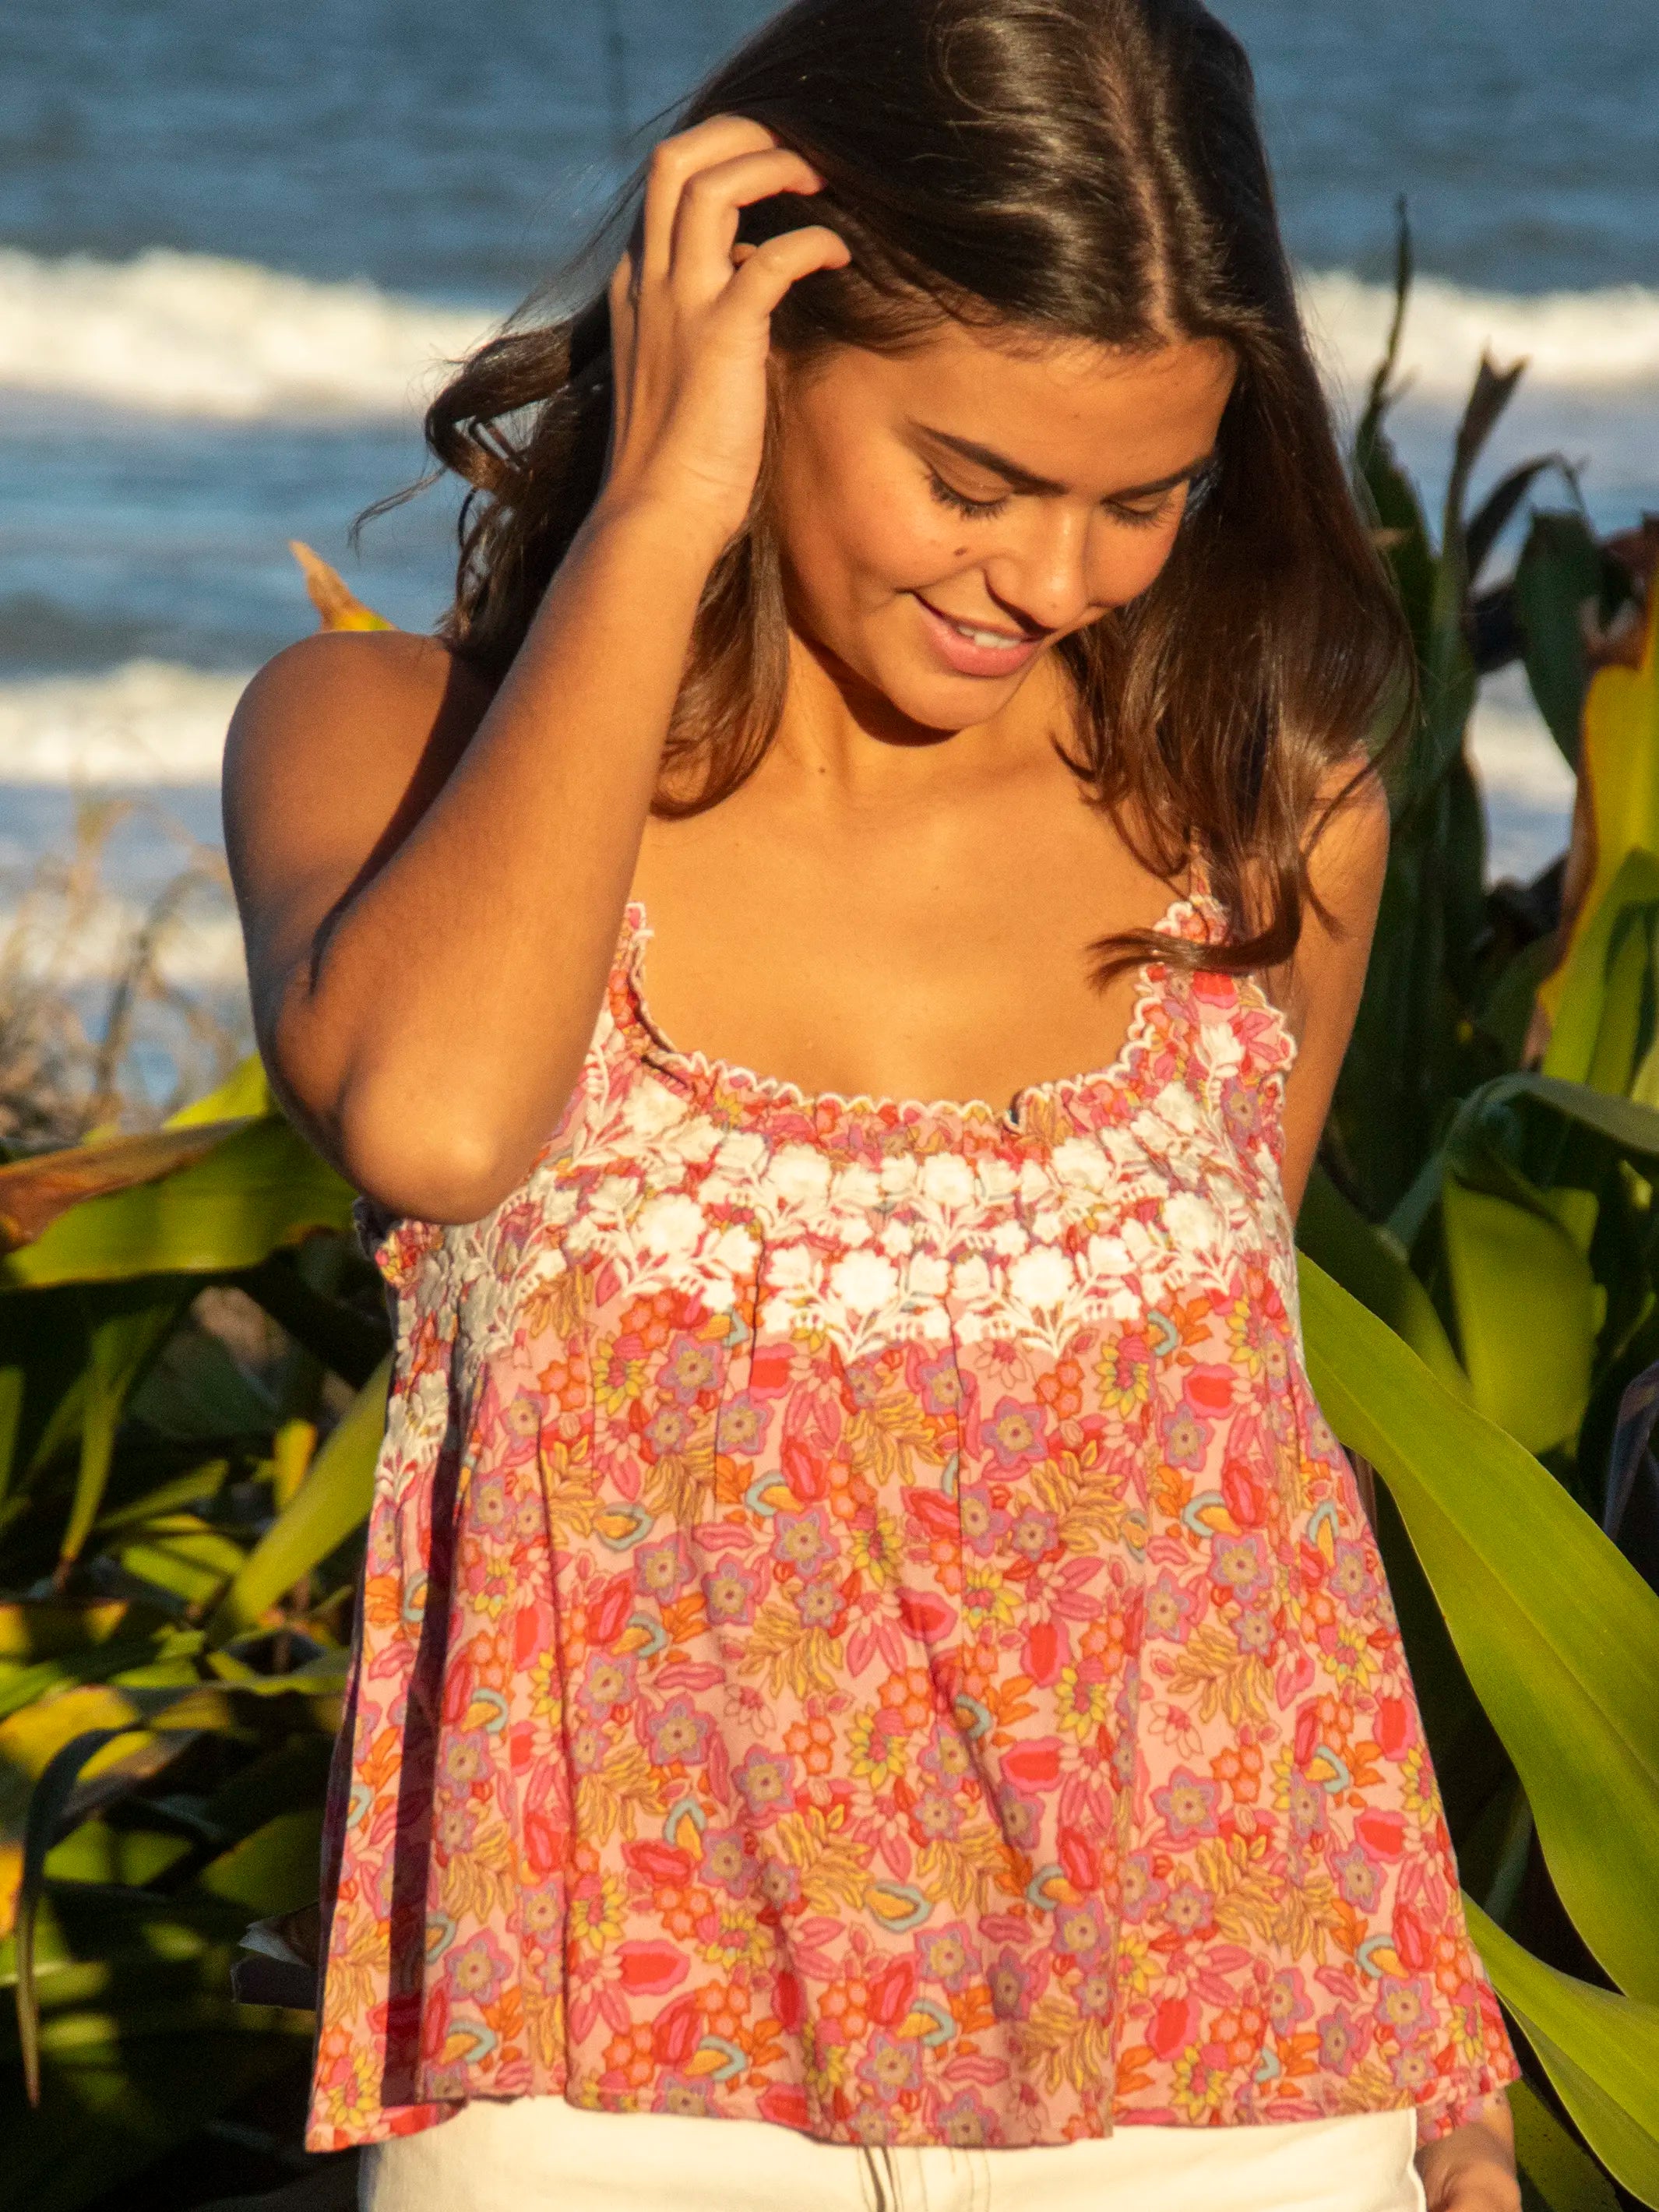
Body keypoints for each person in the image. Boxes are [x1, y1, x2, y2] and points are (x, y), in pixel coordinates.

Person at [224, 2, 1522, 2207]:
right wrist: (663, 511)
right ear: (754, 347)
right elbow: (432, 1125)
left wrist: (1436, 2059)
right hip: (608, 2058)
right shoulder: (380, 743)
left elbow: (1246, 1473)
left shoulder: (1260, 812)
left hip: (1229, 2054)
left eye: (1145, 496)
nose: (1055, 579)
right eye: (973, 482)